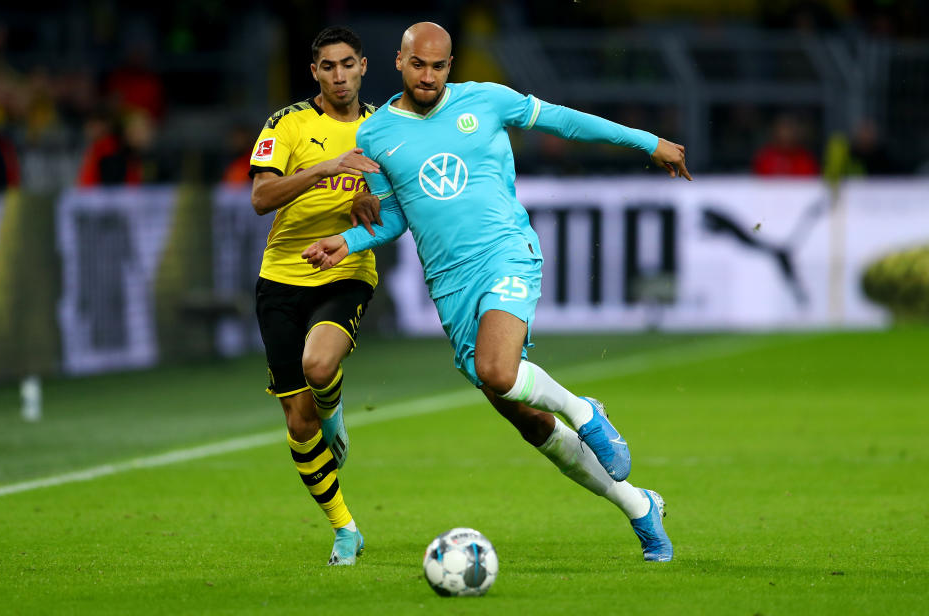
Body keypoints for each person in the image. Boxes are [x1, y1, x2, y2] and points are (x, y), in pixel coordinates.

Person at [304, 22, 692, 562]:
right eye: (419, 65)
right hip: (449, 284)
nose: (430, 77)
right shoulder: (374, 136)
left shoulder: (486, 100)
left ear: (451, 64)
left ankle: (585, 412)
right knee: (526, 417)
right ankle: (638, 507)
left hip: (506, 254)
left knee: (498, 370)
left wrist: (649, 143)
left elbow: (567, 122)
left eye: (440, 67)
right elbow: (394, 216)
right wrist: (345, 242)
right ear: (398, 61)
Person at [248, 26, 381, 566]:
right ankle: (345, 529)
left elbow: (398, 197)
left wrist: (373, 201)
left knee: (319, 366)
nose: (340, 75)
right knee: (298, 425)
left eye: (347, 64)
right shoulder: (287, 123)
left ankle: (334, 406)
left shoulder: (384, 126)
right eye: (328, 67)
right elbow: (260, 197)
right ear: (315, 73)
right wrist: (324, 168)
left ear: (365, 66)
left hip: (347, 267)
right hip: (281, 276)